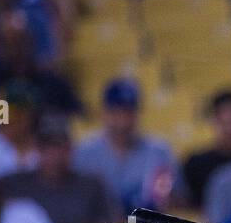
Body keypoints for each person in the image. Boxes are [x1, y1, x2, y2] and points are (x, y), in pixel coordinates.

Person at [73, 78, 175, 215]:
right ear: (103, 113)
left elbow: (172, 200)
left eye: (128, 112)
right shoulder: (84, 153)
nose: (122, 121)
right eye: (116, 112)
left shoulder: (159, 152)